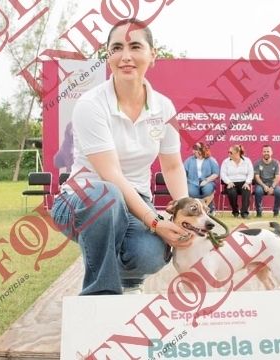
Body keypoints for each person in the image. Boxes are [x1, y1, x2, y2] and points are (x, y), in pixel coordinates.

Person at [50, 18, 193, 296]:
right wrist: (154, 221)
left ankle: (128, 282)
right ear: (108, 57)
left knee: (150, 254)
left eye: (135, 47)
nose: (125, 56)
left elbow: (173, 165)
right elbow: (111, 175)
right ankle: (99, 296)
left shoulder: (164, 107)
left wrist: (183, 215)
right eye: (116, 48)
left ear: (153, 55)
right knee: (107, 195)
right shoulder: (91, 104)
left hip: (134, 202)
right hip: (81, 200)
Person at [184, 142, 219, 214]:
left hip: (207, 181)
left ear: (202, 150)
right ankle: (197, 210)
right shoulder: (189, 160)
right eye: (194, 149)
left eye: (196, 149)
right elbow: (184, 171)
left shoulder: (211, 160)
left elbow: (216, 173)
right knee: (192, 192)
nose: (194, 151)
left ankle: (210, 209)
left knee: (207, 189)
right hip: (192, 181)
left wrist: (206, 180)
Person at [220, 144, 254, 218]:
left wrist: (247, 182)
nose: (229, 154)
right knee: (231, 192)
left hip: (243, 182)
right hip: (231, 182)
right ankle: (235, 211)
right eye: (228, 152)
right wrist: (228, 182)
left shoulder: (247, 161)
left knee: (246, 190)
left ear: (237, 153)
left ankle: (244, 212)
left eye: (230, 152)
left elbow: (251, 173)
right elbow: (223, 174)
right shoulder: (226, 162)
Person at [253, 145, 280, 218]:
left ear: (271, 152)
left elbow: (277, 177)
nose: (266, 153)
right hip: (261, 184)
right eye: (264, 151)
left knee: (279, 192)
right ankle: (259, 212)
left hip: (273, 184)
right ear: (262, 153)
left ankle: (276, 212)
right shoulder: (257, 163)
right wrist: (264, 186)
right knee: (258, 191)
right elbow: (257, 177)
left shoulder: (276, 163)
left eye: (268, 151)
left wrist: (272, 187)